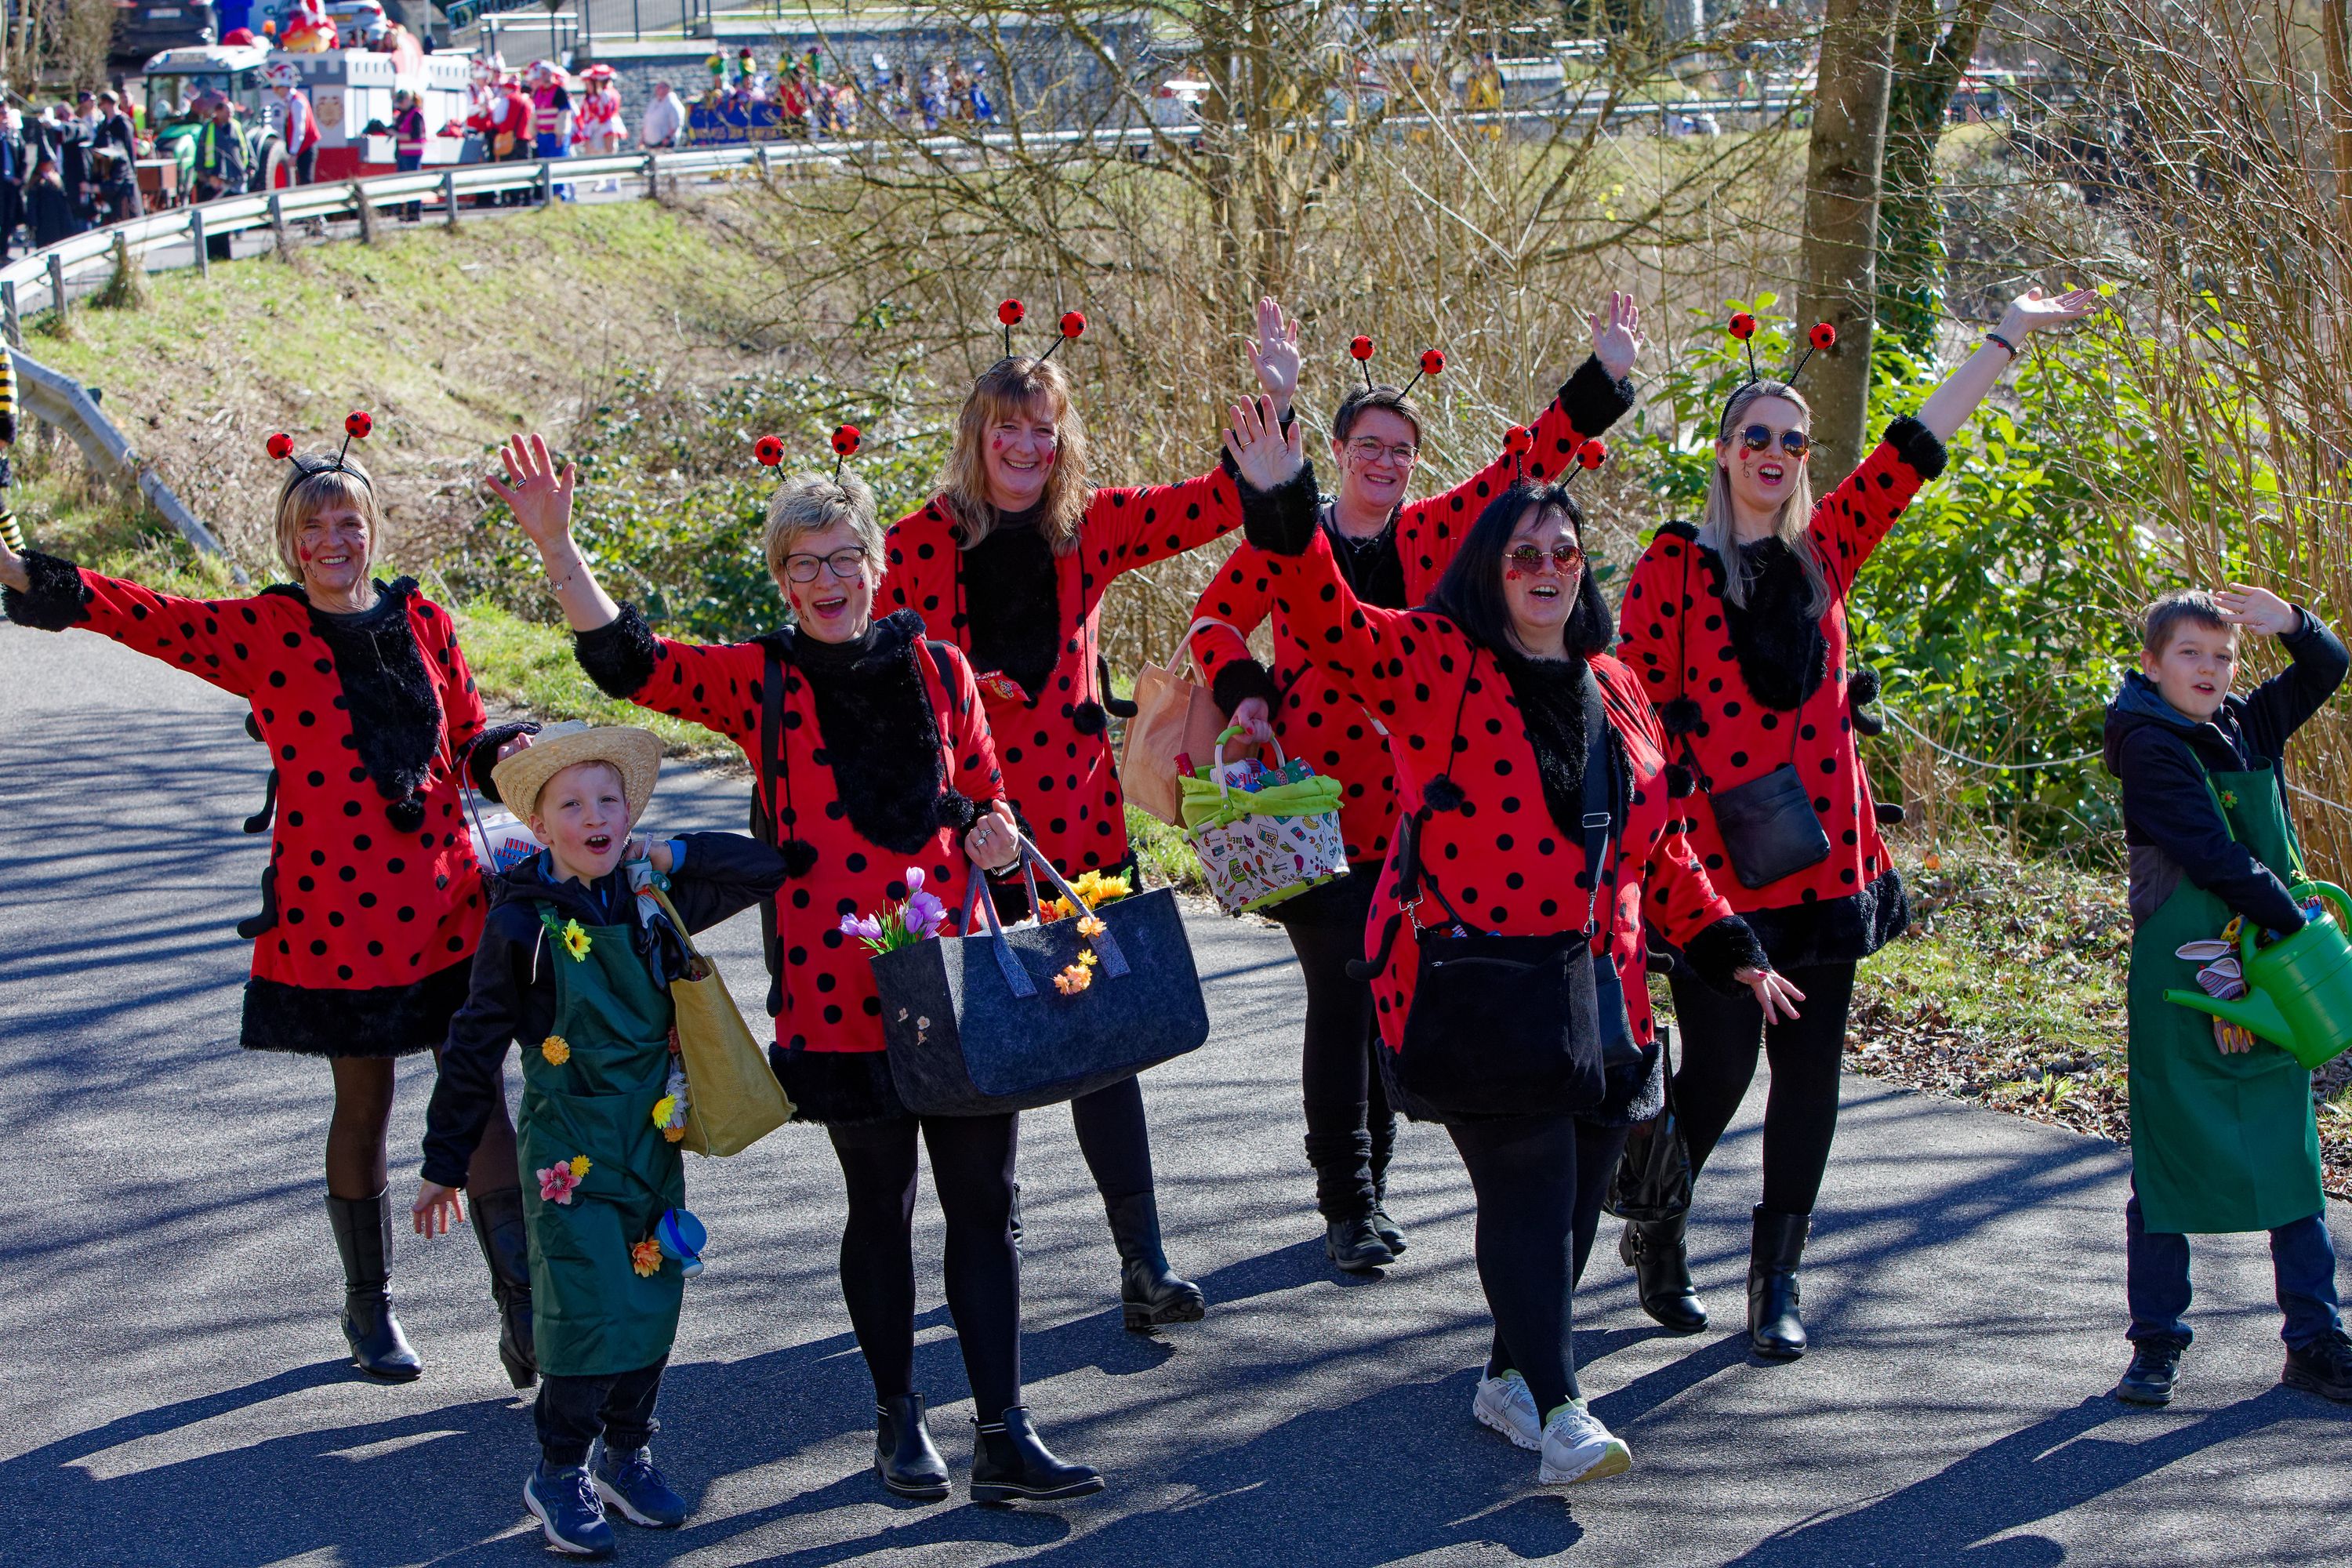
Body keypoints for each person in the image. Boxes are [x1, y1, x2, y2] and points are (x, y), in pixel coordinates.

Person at [491, 431, 1109, 1506]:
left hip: (957, 982)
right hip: (839, 998)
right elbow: (632, 658)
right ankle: (896, 1419)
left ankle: (1006, 1430)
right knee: (882, 1207)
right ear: (783, 581)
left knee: (987, 1203)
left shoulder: (942, 668)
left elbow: (984, 794)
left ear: (878, 564)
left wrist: (997, 835)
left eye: (843, 558)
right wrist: (558, 545)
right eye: (803, 565)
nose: (827, 581)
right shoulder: (762, 681)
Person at [1233, 396, 1796, 1486]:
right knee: (1530, 1189)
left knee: (1577, 1203)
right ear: (1491, 570)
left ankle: (1508, 1375)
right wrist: (1280, 497)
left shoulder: (1620, 686)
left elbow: (1664, 843)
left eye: (1567, 551)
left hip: (1606, 995)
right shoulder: (1440, 665)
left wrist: (1728, 942)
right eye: (1525, 553)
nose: (1548, 568)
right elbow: (1327, 617)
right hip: (1477, 980)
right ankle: (1562, 1401)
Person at [1613, 286, 2101, 1356]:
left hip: (1827, 870)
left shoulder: (1827, 552)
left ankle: (1774, 1282)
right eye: (1757, 435)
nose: (1776, 451)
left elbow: (1915, 445)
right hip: (1718, 879)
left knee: (1813, 1077)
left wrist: (2007, 338)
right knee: (1719, 1072)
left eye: (1793, 438)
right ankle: (1657, 1229)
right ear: (1726, 452)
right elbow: (1636, 717)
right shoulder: (1671, 569)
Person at [0, 423, 538, 1385]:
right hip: (335, 916)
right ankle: (368, 1308)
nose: (333, 538)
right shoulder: (263, 631)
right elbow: (142, 613)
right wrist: (19, 571)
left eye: (349, 520)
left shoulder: (428, 623)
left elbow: (466, 744)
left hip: (446, 896)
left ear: (373, 529)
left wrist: (526, 764)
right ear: (291, 545)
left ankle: (524, 1306)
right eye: (313, 526)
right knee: (363, 1102)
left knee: (479, 1091)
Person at [1194, 295, 1641, 1272]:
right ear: (1340, 449)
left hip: (1417, 819)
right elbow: (1212, 626)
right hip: (1306, 804)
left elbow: (1528, 467)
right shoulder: (1284, 538)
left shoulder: (1439, 533)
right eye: (1371, 446)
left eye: (1403, 450)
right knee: (1341, 993)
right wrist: (1248, 695)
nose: (1387, 464)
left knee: (1386, 991)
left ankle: (1373, 1187)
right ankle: (1346, 1199)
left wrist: (1600, 377)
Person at [879, 334, 1305, 1330]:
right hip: (964, 834)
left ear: (1061, 438)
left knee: (1101, 1039)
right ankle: (995, 1233)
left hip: (1075, 825)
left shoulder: (1093, 526)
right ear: (976, 436)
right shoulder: (912, 542)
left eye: (1043, 428)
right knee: (989, 1031)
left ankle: (1144, 1260)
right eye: (1007, 428)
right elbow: (887, 682)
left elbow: (1217, 500)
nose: (1025, 446)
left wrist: (1276, 404)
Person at [416, 724, 791, 1555]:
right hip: (567, 1155)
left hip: (650, 1142)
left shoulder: (652, 900)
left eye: (610, 801)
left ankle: (628, 1451)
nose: (594, 817)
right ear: (540, 827)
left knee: (653, 1299)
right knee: (586, 1311)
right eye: (572, 805)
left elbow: (771, 865)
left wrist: (675, 852)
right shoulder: (522, 924)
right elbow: (474, 1042)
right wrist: (444, 1164)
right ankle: (558, 1469)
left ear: (630, 815)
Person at [2100, 586, 2352, 1406]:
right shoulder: (2145, 741)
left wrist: (2291, 623)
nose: (2209, 669)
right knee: (2171, 1161)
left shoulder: (2246, 722)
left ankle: (2315, 1337)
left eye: (2222, 655)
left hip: (2267, 973)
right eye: (2190, 654)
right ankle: (2156, 1342)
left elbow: (2329, 666)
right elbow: (2210, 851)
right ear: (2153, 662)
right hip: (2185, 978)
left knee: (2288, 1148)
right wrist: (2298, 928)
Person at [270, 65, 322, 186]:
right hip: (302, 148)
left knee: (306, 181)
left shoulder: (297, 102)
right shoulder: (293, 101)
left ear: (284, 87)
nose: (275, 91)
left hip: (306, 148)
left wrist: (293, 153)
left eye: (277, 88)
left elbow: (299, 129)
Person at [26, 156, 76, 249]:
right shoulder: (36, 182)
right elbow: (32, 205)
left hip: (58, 221)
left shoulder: (57, 179)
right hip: (43, 222)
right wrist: (33, 223)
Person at [390, 89, 425, 220]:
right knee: (403, 184)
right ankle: (405, 211)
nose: (400, 105)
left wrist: (398, 135)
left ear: (408, 100)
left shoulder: (416, 114)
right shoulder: (402, 115)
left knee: (413, 183)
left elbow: (415, 135)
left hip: (413, 154)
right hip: (402, 153)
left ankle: (414, 211)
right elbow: (396, 128)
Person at [638, 79, 685, 149]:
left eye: (660, 88)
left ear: (667, 89)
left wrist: (667, 139)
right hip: (650, 144)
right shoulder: (654, 102)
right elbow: (647, 121)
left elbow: (676, 124)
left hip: (664, 145)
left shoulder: (673, 104)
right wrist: (642, 139)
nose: (657, 90)